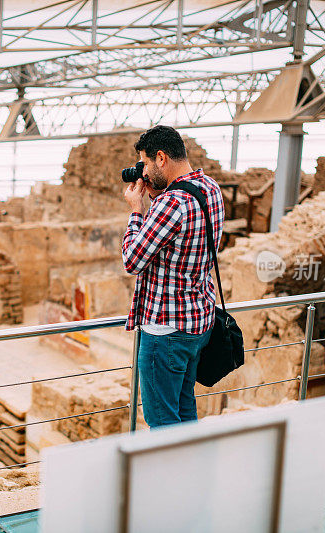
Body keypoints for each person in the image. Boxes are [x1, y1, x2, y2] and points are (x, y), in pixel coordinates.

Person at [121, 125, 225, 428]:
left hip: (166, 332)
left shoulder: (171, 203)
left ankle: (172, 475)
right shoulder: (210, 188)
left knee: (162, 422)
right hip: (198, 324)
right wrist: (156, 195)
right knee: (183, 409)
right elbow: (177, 237)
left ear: (162, 158)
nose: (145, 169)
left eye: (147, 162)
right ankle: (191, 473)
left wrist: (136, 211)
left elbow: (133, 260)